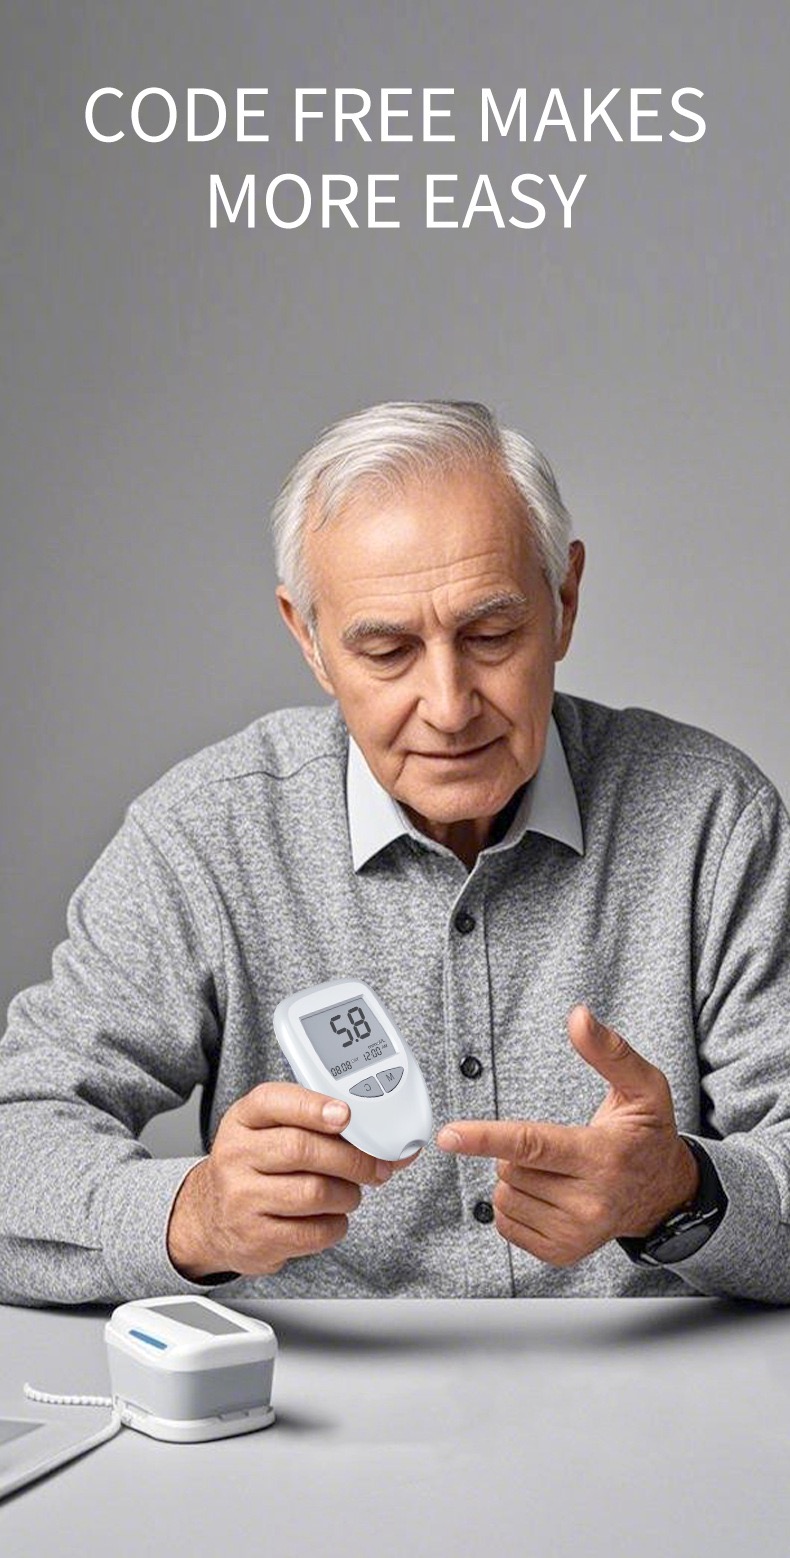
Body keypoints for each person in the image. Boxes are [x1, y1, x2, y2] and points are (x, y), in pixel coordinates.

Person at [1, 399, 789, 1309]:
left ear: (565, 602)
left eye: (491, 636)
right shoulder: (205, 836)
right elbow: (19, 1141)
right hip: (303, 1395)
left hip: (658, 1393)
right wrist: (193, 1215)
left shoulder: (713, 820)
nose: (449, 707)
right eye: (386, 651)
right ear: (309, 640)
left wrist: (681, 1195)